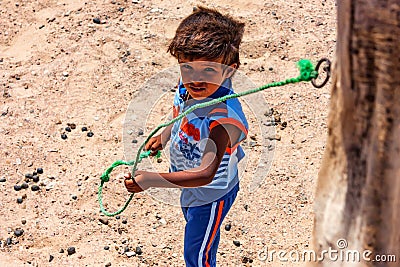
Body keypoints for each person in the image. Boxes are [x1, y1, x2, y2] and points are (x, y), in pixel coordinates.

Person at [124, 6, 248, 267]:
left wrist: (151, 180)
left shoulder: (222, 120)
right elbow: (181, 111)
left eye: (209, 71)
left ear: (229, 71)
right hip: (189, 184)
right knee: (194, 234)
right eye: (187, 67)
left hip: (210, 194)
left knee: (197, 256)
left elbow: (205, 174)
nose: (196, 79)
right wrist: (164, 135)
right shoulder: (188, 87)